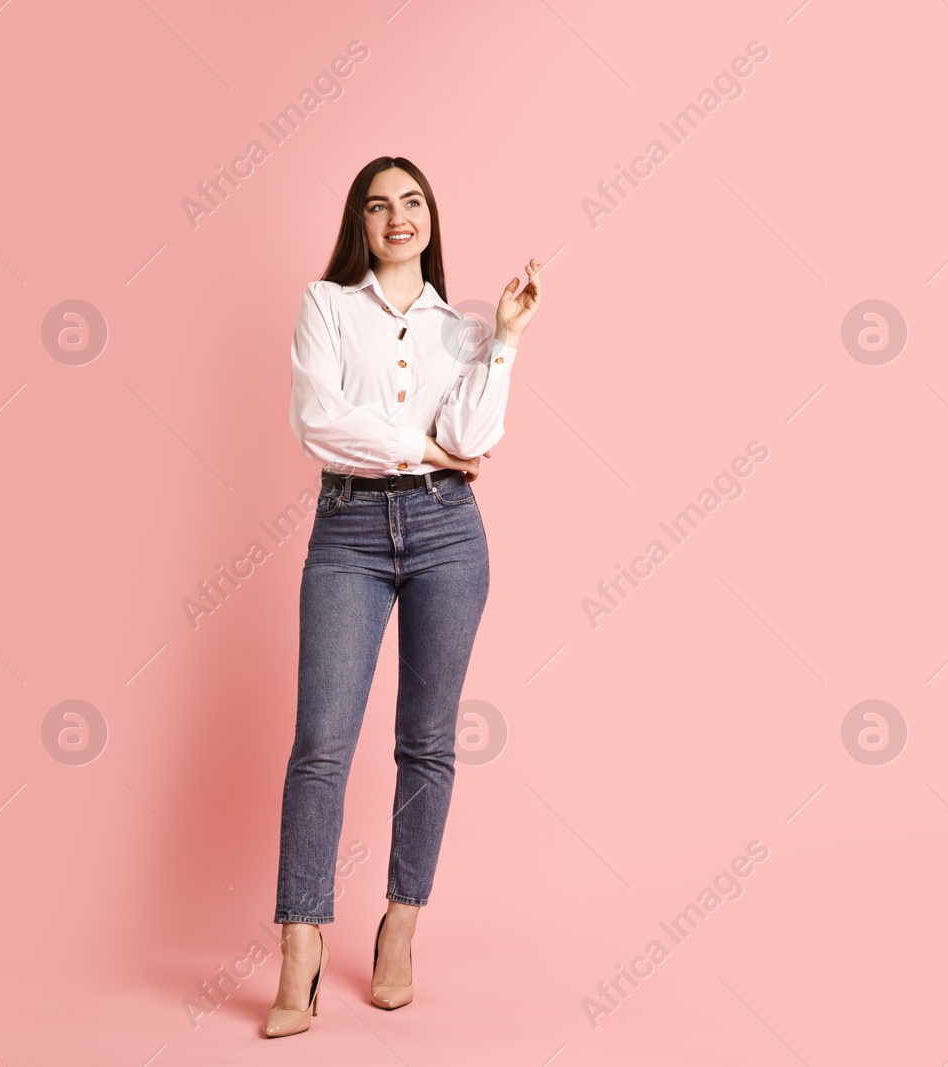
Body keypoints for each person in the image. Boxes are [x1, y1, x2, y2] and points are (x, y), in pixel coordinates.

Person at [263, 155, 541, 1038]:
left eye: (412, 202)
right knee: (321, 743)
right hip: (346, 532)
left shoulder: (461, 328)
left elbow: (474, 435)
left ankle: (401, 925)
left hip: (449, 536)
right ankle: (301, 942)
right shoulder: (325, 305)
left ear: (431, 217)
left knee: (426, 741)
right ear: (359, 220)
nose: (397, 217)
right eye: (378, 204)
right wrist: (423, 450)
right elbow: (319, 420)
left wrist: (504, 337)